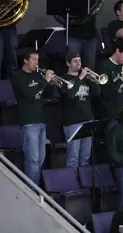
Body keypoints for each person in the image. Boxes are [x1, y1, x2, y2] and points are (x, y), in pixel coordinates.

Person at [10, 48, 55, 185]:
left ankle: (34, 186)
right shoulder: (18, 77)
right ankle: (33, 191)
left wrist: (51, 84)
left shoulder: (37, 75)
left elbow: (45, 95)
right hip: (29, 122)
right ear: (25, 60)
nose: (37, 63)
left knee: (41, 158)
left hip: (41, 120)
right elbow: (30, 93)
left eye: (38, 59)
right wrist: (45, 81)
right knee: (32, 159)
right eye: (34, 59)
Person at [60, 52, 101, 171]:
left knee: (85, 157)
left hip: (87, 120)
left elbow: (97, 94)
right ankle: (71, 186)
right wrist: (80, 78)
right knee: (73, 158)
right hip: (73, 122)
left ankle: (84, 185)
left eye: (79, 60)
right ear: (68, 63)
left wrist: (94, 81)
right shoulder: (64, 79)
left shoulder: (85, 79)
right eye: (75, 61)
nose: (79, 64)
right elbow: (70, 95)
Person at [97, 38, 123, 120]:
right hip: (110, 112)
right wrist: (122, 79)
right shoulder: (104, 65)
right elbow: (105, 91)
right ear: (117, 51)